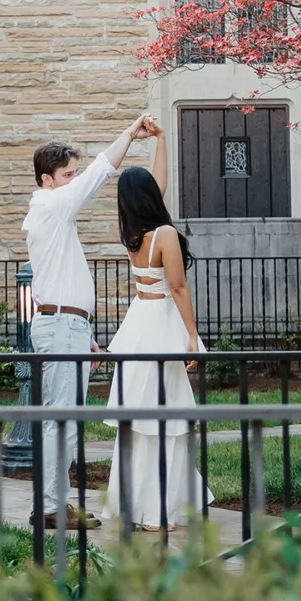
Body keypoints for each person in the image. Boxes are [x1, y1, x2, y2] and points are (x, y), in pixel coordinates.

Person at [23, 113, 155, 530]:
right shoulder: (49, 204)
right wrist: (129, 135)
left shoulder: (56, 216)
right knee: (59, 419)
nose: (73, 181)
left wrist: (86, 335)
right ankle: (50, 507)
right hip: (60, 327)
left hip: (69, 327)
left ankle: (56, 503)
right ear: (47, 179)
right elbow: (101, 172)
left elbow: (64, 283)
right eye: (67, 175)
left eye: (73, 174)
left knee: (64, 420)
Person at [105, 122, 211, 533]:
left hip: (138, 324)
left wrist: (163, 140)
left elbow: (157, 186)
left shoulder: (133, 233)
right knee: (165, 419)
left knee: (140, 420)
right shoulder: (165, 234)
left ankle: (134, 505)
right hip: (163, 322)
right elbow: (179, 287)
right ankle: (158, 511)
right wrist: (191, 337)